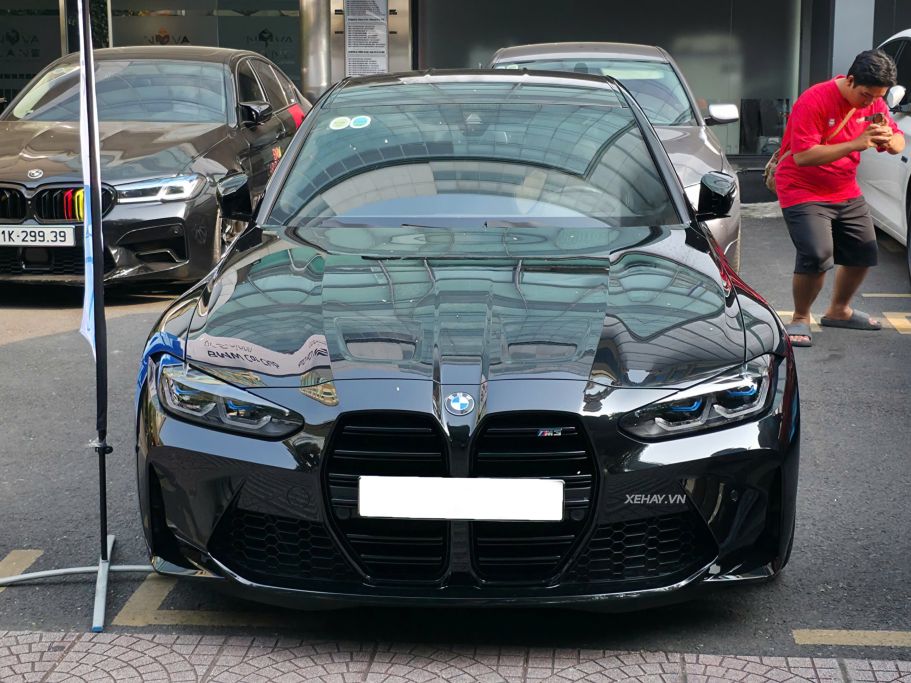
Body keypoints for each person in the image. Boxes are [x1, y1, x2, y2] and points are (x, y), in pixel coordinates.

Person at [774, 49, 905, 347]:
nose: (871, 102)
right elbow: (803, 156)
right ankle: (800, 317)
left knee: (864, 250)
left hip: (844, 187)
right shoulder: (814, 100)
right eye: (866, 95)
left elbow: (898, 143)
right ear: (850, 80)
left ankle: (839, 311)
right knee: (816, 254)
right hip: (801, 187)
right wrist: (856, 143)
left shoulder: (875, 102)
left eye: (878, 97)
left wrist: (890, 139)